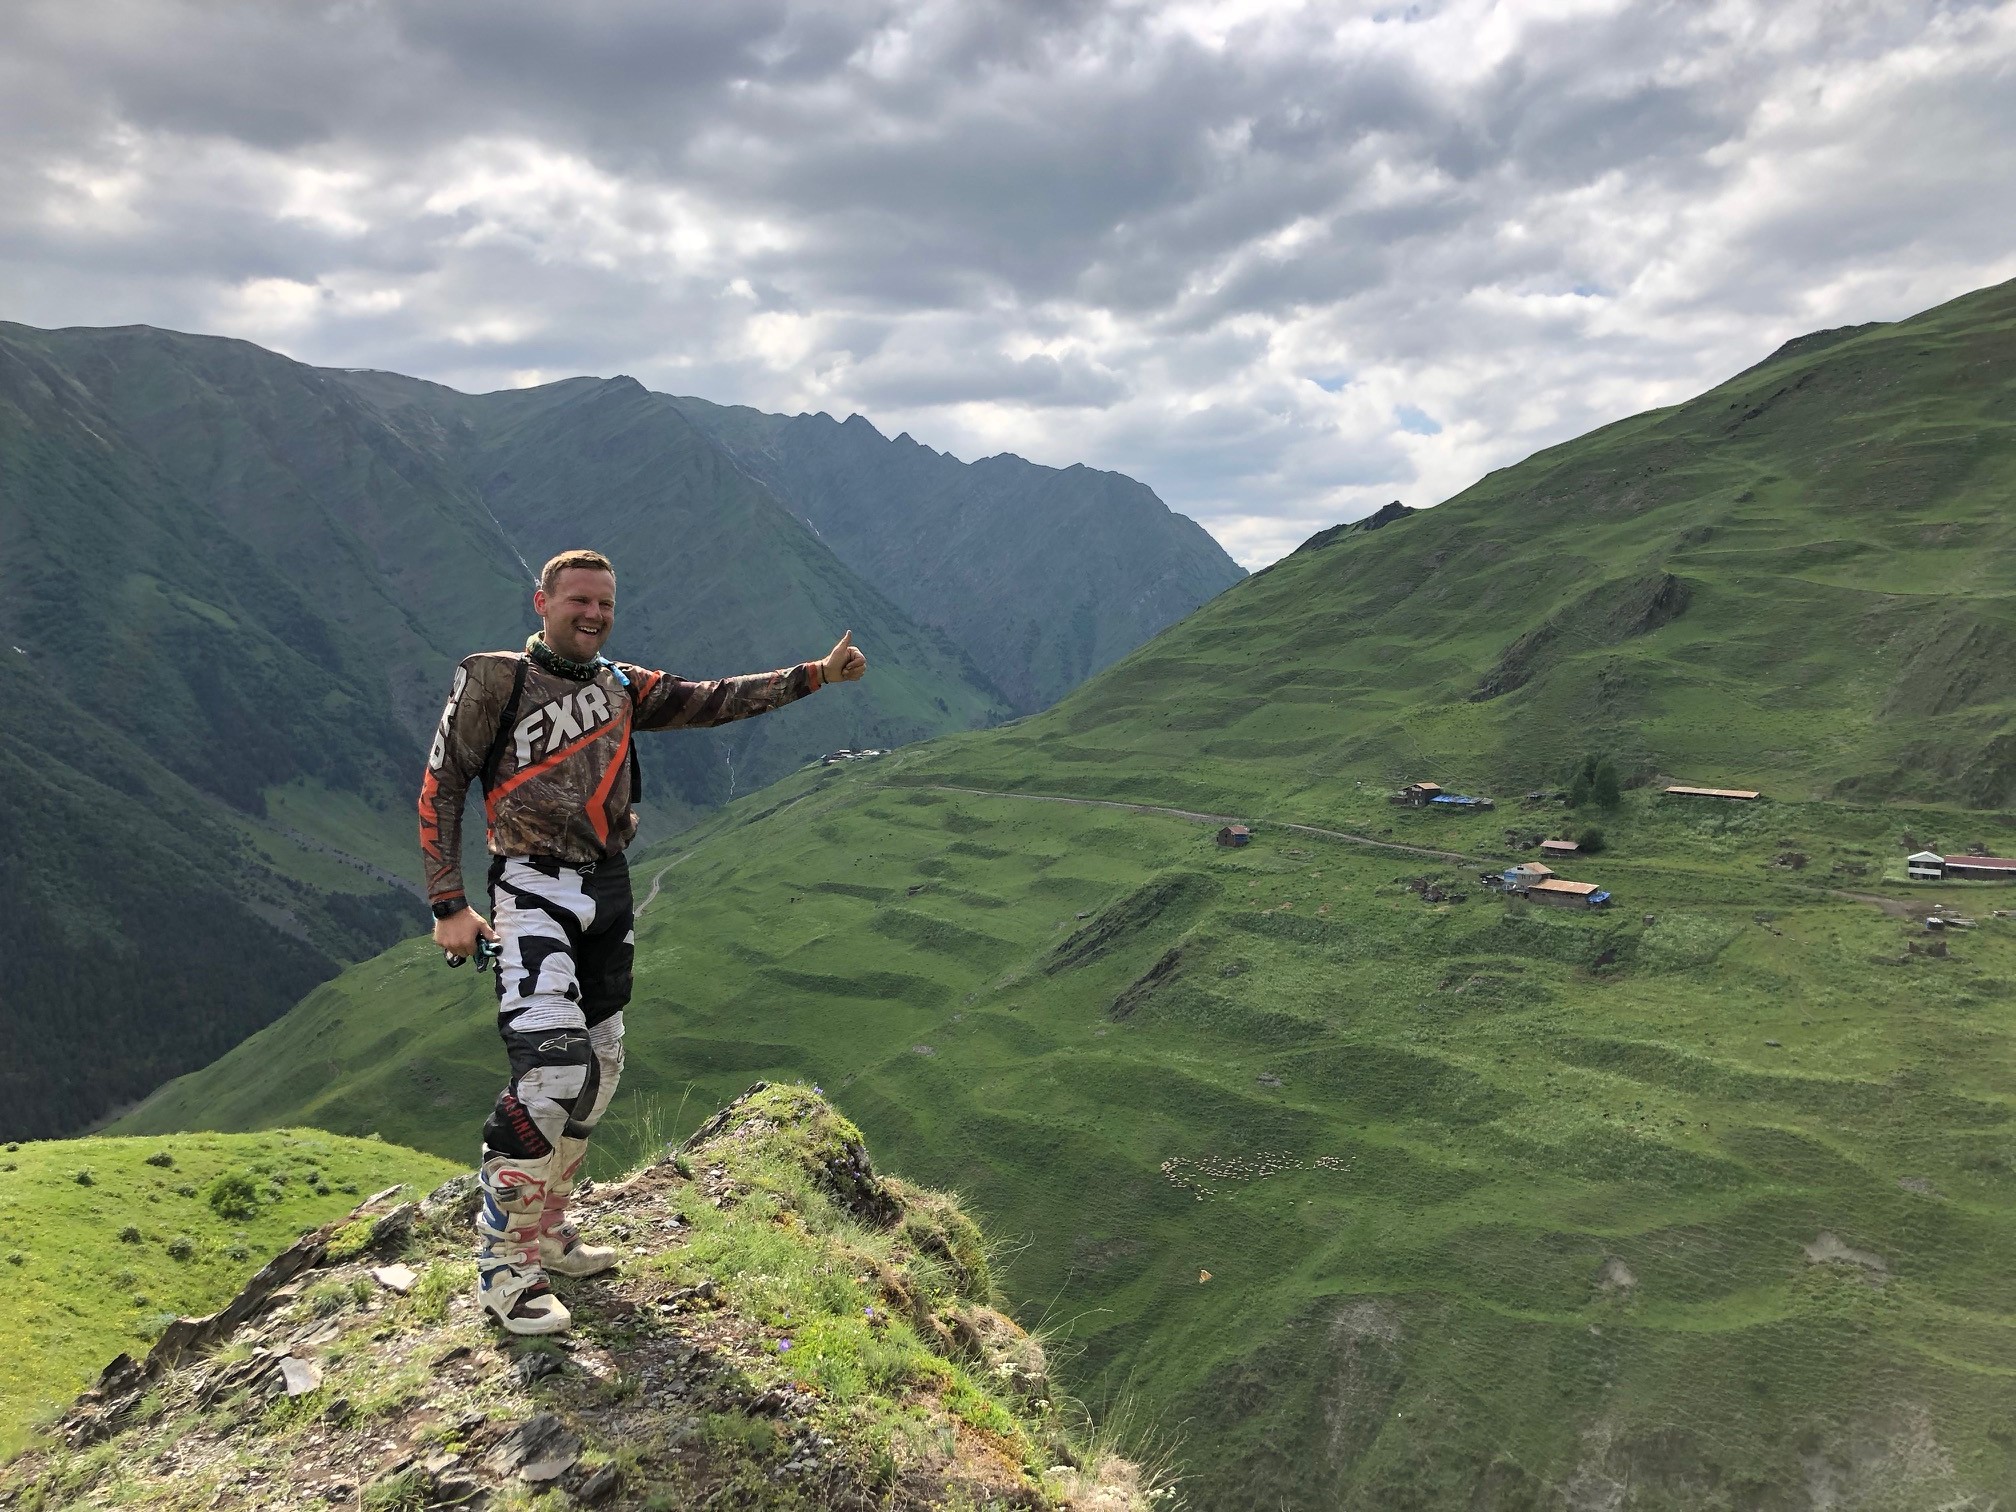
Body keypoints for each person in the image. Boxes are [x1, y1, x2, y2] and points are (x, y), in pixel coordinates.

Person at [418, 548, 866, 1333]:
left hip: (607, 885)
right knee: (551, 1067)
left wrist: (816, 676)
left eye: (605, 604)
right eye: (579, 601)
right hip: (529, 884)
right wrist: (448, 902)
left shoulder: (621, 686)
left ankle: (546, 1230)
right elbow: (443, 781)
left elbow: (713, 700)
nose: (593, 614)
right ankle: (503, 1266)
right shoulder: (495, 679)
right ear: (542, 602)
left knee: (601, 1061)